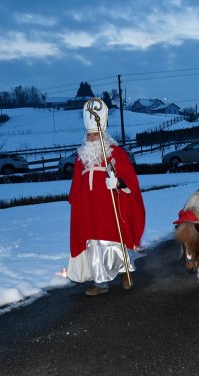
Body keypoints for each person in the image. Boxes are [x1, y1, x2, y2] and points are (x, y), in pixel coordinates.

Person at [67, 98, 145, 296]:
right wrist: (76, 204)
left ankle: (126, 272)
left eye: (95, 134)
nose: (92, 138)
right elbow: (76, 184)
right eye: (90, 134)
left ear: (103, 133)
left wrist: (117, 183)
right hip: (88, 209)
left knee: (113, 241)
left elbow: (130, 181)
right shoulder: (81, 157)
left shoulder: (115, 153)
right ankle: (100, 283)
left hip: (110, 207)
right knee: (93, 244)